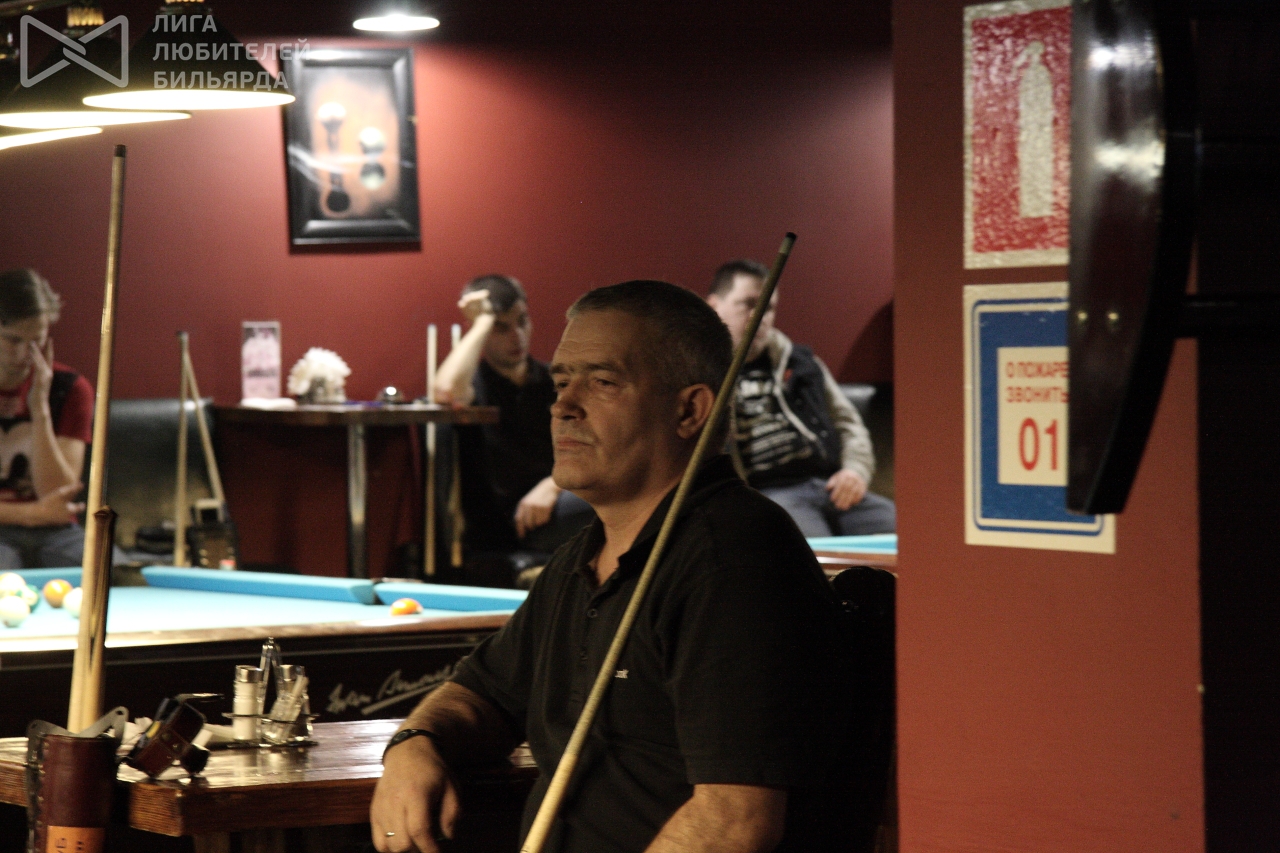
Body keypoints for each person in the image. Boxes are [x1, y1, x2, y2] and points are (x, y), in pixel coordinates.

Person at [372, 281, 852, 853]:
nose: (563, 406)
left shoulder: (732, 558)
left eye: (602, 382)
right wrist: (415, 744)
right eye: (561, 382)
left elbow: (734, 824)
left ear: (689, 410)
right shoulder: (582, 558)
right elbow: (482, 696)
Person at [707, 260, 895, 537]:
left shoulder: (802, 362)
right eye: (748, 304)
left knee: (911, 533)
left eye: (768, 308)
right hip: (769, 494)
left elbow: (848, 423)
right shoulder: (704, 377)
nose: (760, 317)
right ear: (713, 306)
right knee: (808, 548)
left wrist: (855, 471)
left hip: (830, 485)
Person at [434, 274, 593, 555]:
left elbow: (599, 447)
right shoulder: (475, 385)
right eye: (501, 327)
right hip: (516, 522)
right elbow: (446, 391)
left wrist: (552, 485)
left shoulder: (556, 379)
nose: (516, 335)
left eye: (522, 321)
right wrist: (483, 321)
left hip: (564, 494)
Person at [0, 269, 90, 568]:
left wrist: (40, 409)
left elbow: (57, 493)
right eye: (13, 340)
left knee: (109, 574)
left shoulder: (69, 388)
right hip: (15, 526)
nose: (25, 354)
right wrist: (31, 514)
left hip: (57, 531)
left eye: (36, 341)